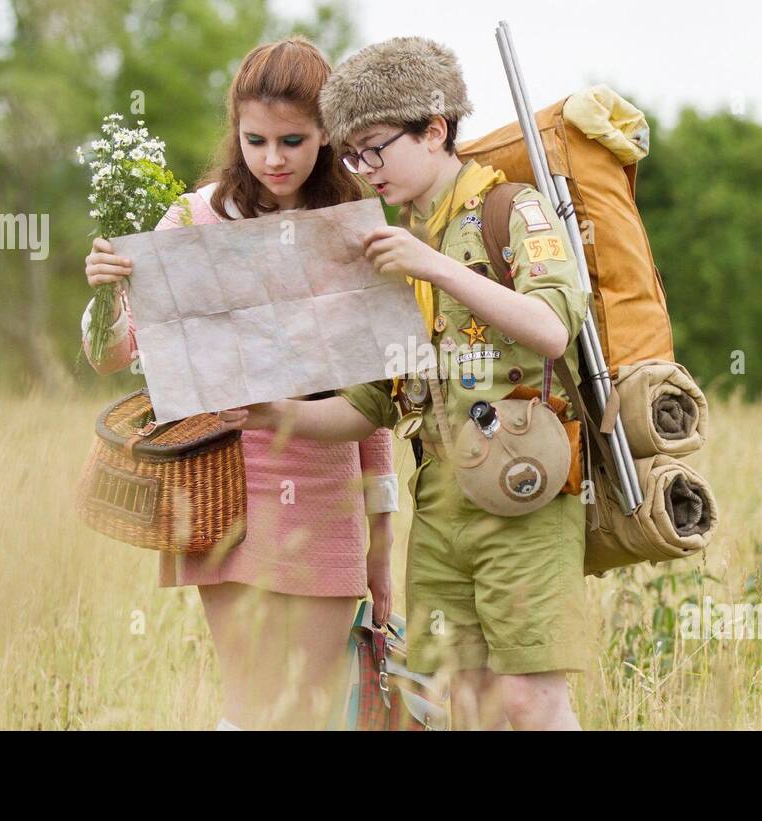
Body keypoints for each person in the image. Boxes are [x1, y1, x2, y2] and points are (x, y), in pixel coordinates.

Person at [217, 36, 593, 730]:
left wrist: (436, 267)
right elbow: (369, 406)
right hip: (442, 505)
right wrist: (269, 413)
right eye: (353, 153)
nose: (363, 168)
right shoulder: (393, 242)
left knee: (528, 700)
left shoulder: (511, 208)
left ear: (435, 129)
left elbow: (551, 326)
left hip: (525, 491)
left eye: (375, 148)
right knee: (453, 704)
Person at [79, 36, 398, 730]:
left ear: (327, 135)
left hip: (324, 486)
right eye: (255, 140)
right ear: (236, 131)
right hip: (222, 485)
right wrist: (102, 293)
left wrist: (382, 540)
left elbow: (375, 410)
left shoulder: (355, 234)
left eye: (293, 139)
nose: (273, 159)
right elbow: (114, 353)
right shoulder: (195, 218)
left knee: (309, 709)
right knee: (252, 705)